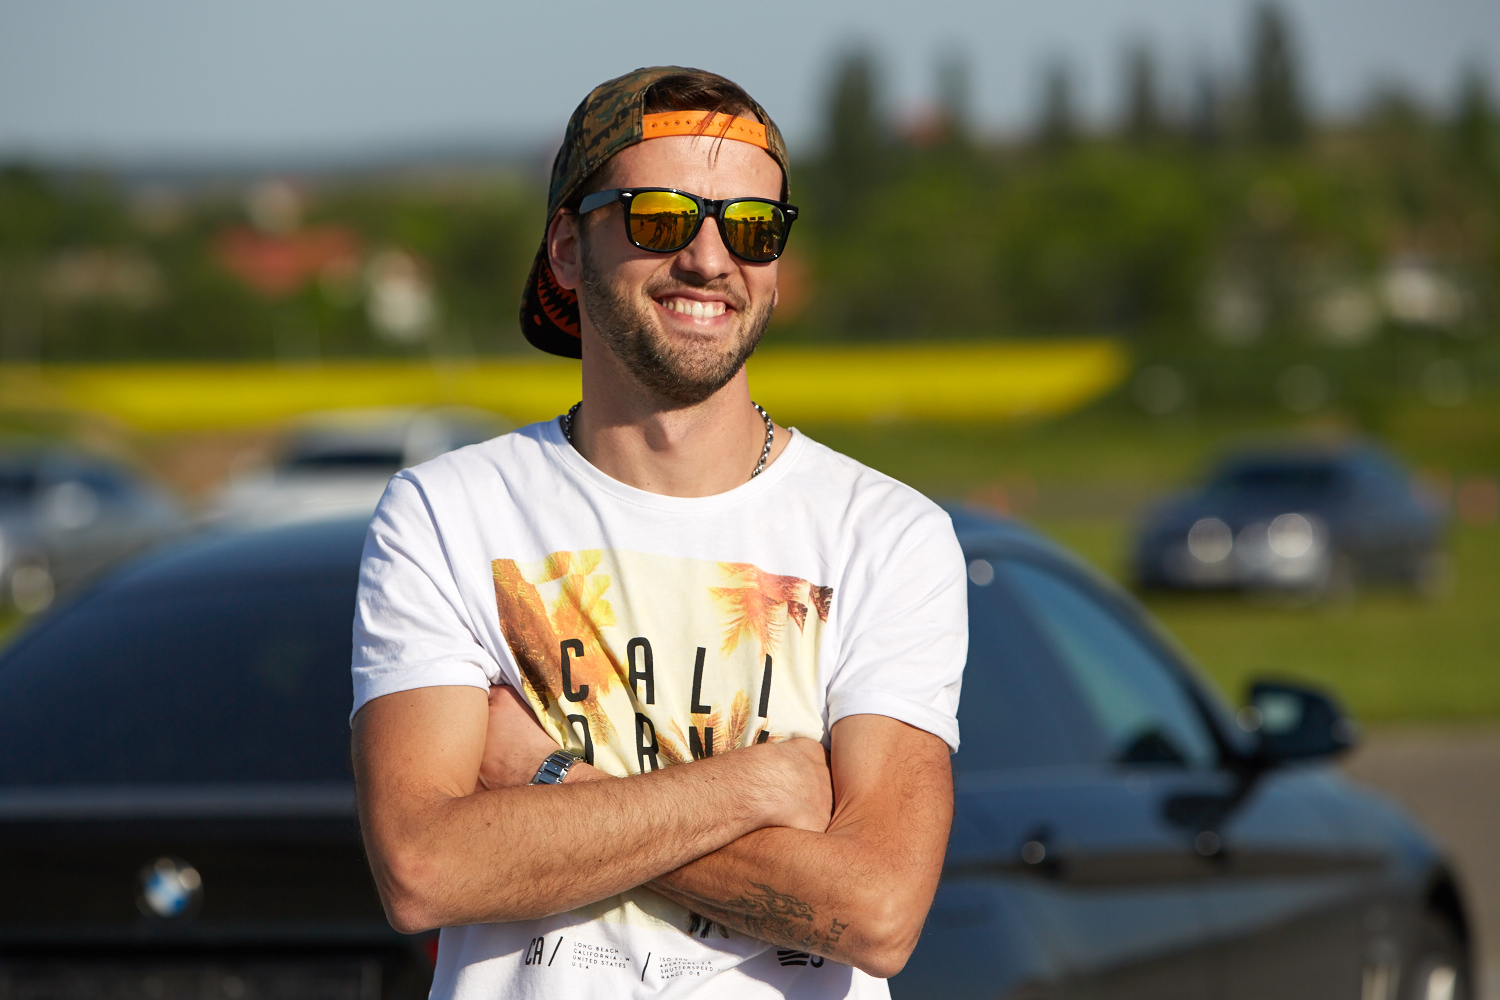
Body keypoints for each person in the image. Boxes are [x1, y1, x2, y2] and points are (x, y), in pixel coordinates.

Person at [350, 66, 968, 1000]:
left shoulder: (888, 535)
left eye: (751, 227)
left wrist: (545, 777)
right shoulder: (446, 514)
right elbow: (423, 868)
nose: (710, 260)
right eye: (661, 218)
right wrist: (754, 788)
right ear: (568, 247)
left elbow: (877, 912)